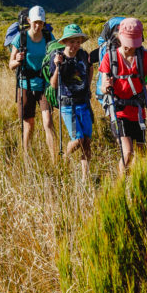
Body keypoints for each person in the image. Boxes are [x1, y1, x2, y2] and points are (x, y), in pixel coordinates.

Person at [97, 17, 147, 176]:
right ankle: (121, 188)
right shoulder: (110, 57)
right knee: (127, 153)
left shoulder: (144, 57)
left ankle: (134, 183)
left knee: (140, 154)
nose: (130, 47)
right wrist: (106, 87)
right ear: (119, 38)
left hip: (138, 112)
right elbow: (102, 85)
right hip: (119, 111)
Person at [7, 5, 57, 161]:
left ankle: (55, 160)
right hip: (26, 85)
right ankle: (26, 157)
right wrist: (17, 60)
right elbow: (11, 65)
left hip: (44, 85)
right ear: (29, 21)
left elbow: (56, 54)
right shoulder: (21, 38)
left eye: (41, 23)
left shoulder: (49, 38)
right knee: (29, 125)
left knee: (48, 122)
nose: (37, 26)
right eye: (35, 22)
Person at [48, 23, 94, 180]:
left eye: (78, 41)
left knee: (87, 141)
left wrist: (87, 87)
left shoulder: (83, 55)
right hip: (68, 104)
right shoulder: (58, 58)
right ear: (65, 42)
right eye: (71, 41)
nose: (75, 45)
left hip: (84, 102)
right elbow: (53, 84)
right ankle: (63, 158)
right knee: (78, 139)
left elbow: (90, 68)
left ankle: (85, 178)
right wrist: (57, 66)